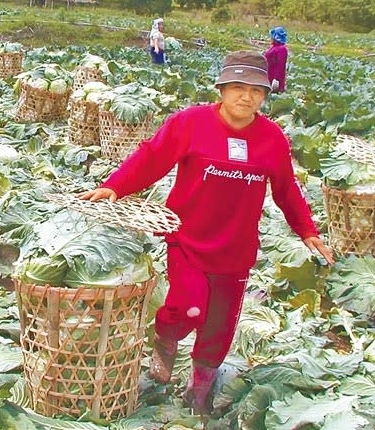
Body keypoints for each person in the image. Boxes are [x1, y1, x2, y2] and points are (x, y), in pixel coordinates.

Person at [78, 50, 334, 415]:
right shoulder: (191, 122)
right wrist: (115, 186)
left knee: (220, 325)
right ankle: (166, 339)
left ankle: (200, 389)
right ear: (222, 88)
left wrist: (307, 230)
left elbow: (286, 188)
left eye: (256, 90)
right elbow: (153, 156)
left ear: (264, 95)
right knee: (188, 306)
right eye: (238, 87)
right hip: (189, 239)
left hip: (236, 248)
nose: (247, 96)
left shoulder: (272, 138)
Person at [265, 26, 288, 93]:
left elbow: (281, 65)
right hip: (268, 76)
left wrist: (276, 79)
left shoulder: (282, 49)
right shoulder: (273, 47)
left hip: (274, 78)